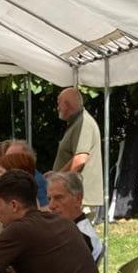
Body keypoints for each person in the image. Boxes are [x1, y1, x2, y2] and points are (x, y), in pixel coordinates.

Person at [51, 87, 103, 216]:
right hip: (75, 195)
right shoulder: (77, 122)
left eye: (59, 104)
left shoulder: (83, 123)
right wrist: (54, 173)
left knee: (78, 235)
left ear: (67, 105)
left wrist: (57, 179)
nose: (57, 108)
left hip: (79, 198)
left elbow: (80, 159)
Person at [46, 171, 102, 262]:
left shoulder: (80, 237)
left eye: (58, 198)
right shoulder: (73, 230)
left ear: (78, 199)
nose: (51, 206)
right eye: (49, 199)